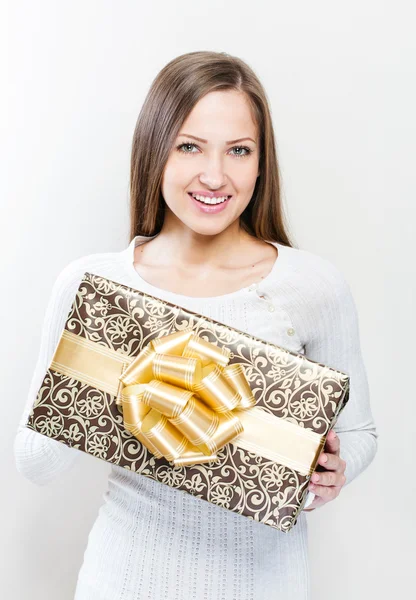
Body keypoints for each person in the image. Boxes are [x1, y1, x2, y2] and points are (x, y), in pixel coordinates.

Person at [14, 51, 378, 599]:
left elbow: (359, 435)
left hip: (266, 585)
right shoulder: (94, 285)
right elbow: (35, 463)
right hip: (123, 581)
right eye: (189, 146)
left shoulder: (311, 286)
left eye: (238, 150)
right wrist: (120, 381)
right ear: (155, 151)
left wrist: (328, 474)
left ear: (261, 163)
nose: (215, 175)